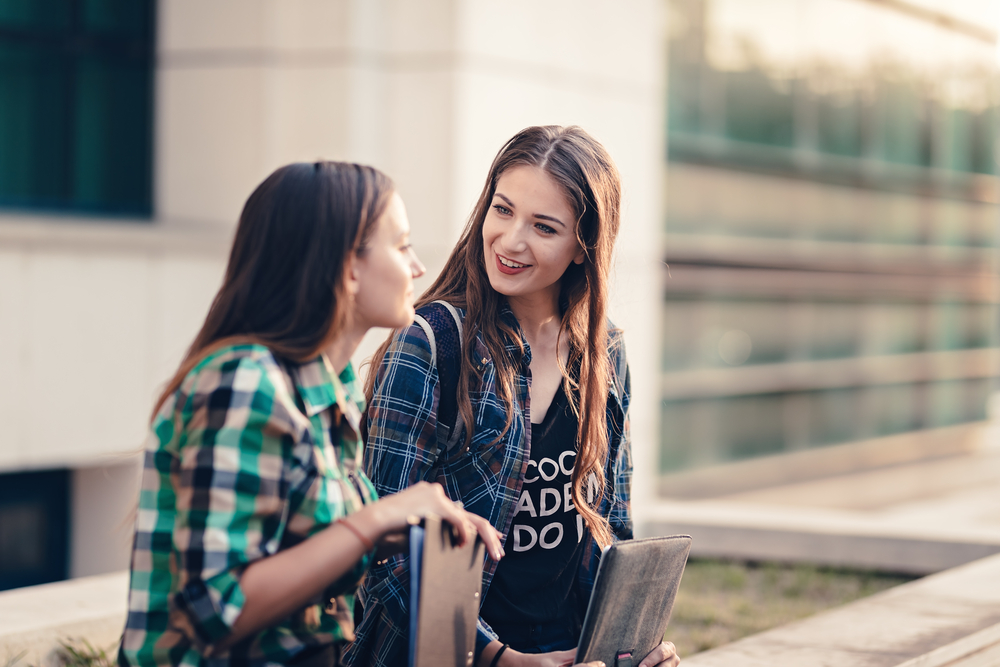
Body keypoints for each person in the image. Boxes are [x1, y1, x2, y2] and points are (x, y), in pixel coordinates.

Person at [117, 161, 505, 667]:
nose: (417, 268)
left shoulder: (333, 390)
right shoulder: (246, 382)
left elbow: (298, 557)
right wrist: (374, 520)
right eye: (402, 245)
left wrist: (401, 532)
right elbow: (215, 608)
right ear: (348, 266)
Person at [347, 127, 680, 667]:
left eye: (544, 227)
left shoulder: (606, 351)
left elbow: (611, 527)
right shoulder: (430, 342)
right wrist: (499, 659)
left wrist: (628, 642)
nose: (510, 240)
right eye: (502, 210)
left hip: (571, 647)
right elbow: (385, 549)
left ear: (583, 248)